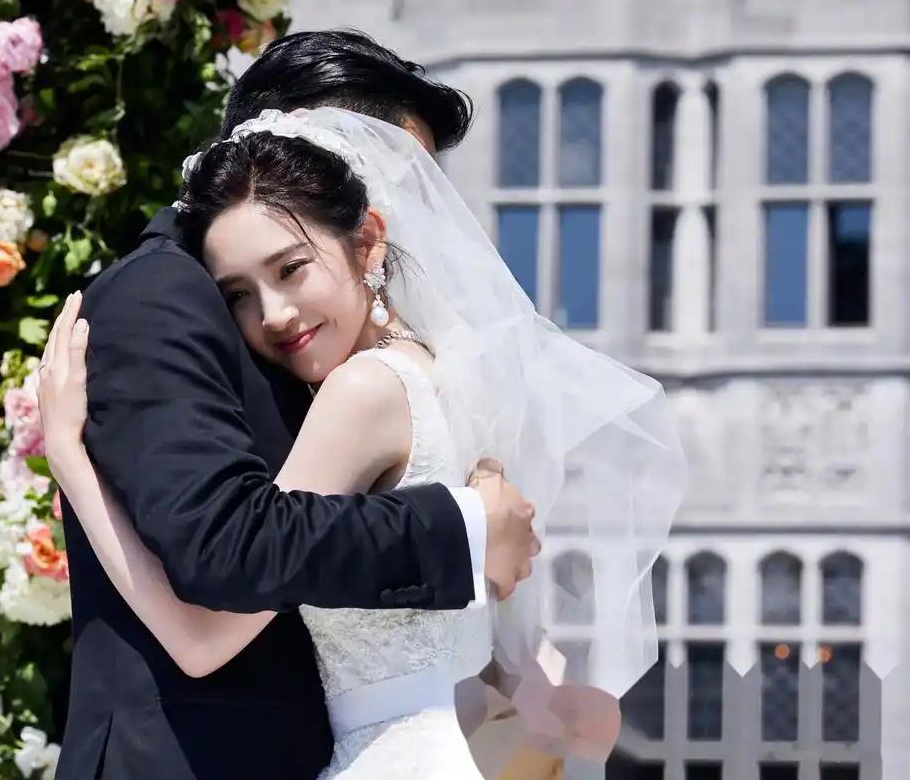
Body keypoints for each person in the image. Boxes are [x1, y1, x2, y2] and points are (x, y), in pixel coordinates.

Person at [42, 105, 686, 778]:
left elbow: (202, 639)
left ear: (368, 241)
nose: (273, 314)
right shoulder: (444, 373)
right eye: (238, 295)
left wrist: (72, 461)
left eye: (291, 269)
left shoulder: (361, 393)